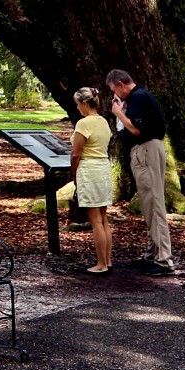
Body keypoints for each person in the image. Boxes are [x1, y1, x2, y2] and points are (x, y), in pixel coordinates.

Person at [106, 67, 174, 274]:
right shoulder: (140, 95)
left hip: (146, 150)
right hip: (144, 150)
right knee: (147, 203)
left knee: (154, 202)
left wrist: (118, 113)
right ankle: (152, 253)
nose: (114, 96)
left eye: (114, 91)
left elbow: (136, 129)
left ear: (121, 85)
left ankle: (164, 260)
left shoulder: (137, 98)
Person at [69, 87, 113, 274]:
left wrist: (73, 174)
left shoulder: (84, 124)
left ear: (85, 104)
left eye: (78, 104)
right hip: (103, 168)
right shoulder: (103, 121)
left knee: (95, 220)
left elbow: (76, 153)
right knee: (103, 219)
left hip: (89, 170)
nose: (77, 108)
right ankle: (108, 260)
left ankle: (101, 264)